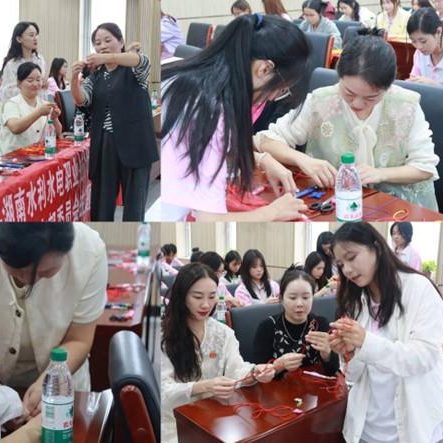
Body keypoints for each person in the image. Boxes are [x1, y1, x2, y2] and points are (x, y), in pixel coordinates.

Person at [0, 222, 107, 419]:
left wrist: (50, 381)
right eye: (18, 270)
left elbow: (78, 339)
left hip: (57, 386)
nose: (30, 280)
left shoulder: (90, 252)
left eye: (46, 272)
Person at [257, 35, 440, 210]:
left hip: (397, 204)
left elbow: (424, 167)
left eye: (371, 97)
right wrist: (303, 159)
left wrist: (380, 174)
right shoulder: (321, 101)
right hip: (333, 202)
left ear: (388, 86)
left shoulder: (406, 106)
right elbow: (266, 140)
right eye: (349, 93)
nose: (357, 104)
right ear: (339, 77)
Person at [162, 14, 310, 222]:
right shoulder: (208, 109)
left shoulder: (187, 76)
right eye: (281, 89)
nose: (272, 98)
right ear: (264, 69)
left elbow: (217, 146)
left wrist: (260, 159)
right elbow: (208, 220)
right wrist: (273, 212)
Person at [329, 222, 443, 443]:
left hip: (410, 427)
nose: (347, 270)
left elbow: (424, 357)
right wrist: (349, 353)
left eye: (352, 257)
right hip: (367, 427)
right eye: (341, 264)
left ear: (377, 247)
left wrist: (365, 342)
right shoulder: (356, 301)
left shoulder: (419, 289)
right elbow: (352, 377)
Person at [161, 263, 276, 443]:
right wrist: (205, 386)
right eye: (197, 296)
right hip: (177, 422)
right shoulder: (164, 336)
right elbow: (162, 391)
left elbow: (236, 369)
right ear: (182, 296)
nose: (206, 304)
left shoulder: (223, 333)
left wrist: (255, 372)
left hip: (215, 415)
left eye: (212, 296)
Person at [71, 22, 158, 221]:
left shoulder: (134, 68)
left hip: (135, 143)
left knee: (134, 206)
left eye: (107, 40)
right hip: (105, 143)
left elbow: (140, 60)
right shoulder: (95, 76)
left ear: (121, 41)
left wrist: (107, 57)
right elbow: (81, 99)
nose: (102, 46)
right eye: (97, 43)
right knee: (101, 204)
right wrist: (74, 77)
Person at [252, 268, 340, 376]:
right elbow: (257, 373)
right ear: (281, 299)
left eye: (306, 297)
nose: (300, 304)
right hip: (277, 385)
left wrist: (327, 353)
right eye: (293, 298)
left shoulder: (320, 325)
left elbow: (332, 371)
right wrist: (278, 366)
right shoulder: (267, 327)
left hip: (313, 384)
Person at [0, 62, 61, 154]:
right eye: (30, 81)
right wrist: (38, 113)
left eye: (38, 80)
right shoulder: (11, 104)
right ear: (19, 83)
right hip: (11, 156)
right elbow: (15, 128)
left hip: (35, 155)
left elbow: (58, 132)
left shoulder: (44, 104)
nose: (35, 84)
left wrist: (54, 118)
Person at [408, 7, 443, 88]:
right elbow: (414, 82)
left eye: (423, 41)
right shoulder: (419, 54)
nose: (419, 47)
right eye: (413, 41)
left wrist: (436, 85)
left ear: (438, 32)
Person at [0, 22, 46, 104]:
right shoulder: (11, 64)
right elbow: (7, 92)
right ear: (19, 39)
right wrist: (31, 89)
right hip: (17, 106)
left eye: (36, 35)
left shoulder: (39, 60)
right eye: (31, 35)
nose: (35, 38)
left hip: (37, 104)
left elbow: (42, 87)